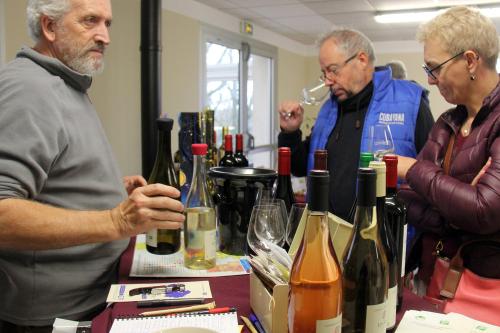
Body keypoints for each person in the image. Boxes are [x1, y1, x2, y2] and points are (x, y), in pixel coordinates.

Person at [0, 0, 185, 331]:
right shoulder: (30, 88)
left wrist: (109, 191)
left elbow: (52, 180)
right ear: (49, 27)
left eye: (108, 23)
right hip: (52, 318)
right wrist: (116, 218)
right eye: (90, 21)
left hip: (97, 294)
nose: (105, 36)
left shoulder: (67, 83)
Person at [278, 28, 434, 221]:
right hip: (325, 237)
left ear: (361, 60)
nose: (327, 81)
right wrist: (290, 132)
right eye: (324, 73)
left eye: (333, 70)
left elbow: (432, 176)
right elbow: (301, 167)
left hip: (383, 239)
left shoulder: (410, 101)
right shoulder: (328, 109)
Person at [397, 6, 500, 294]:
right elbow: (406, 197)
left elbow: (484, 211)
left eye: (435, 68)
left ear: (469, 60)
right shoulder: (447, 122)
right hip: (434, 275)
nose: (430, 80)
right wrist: (459, 206)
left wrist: (415, 170)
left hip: (483, 289)